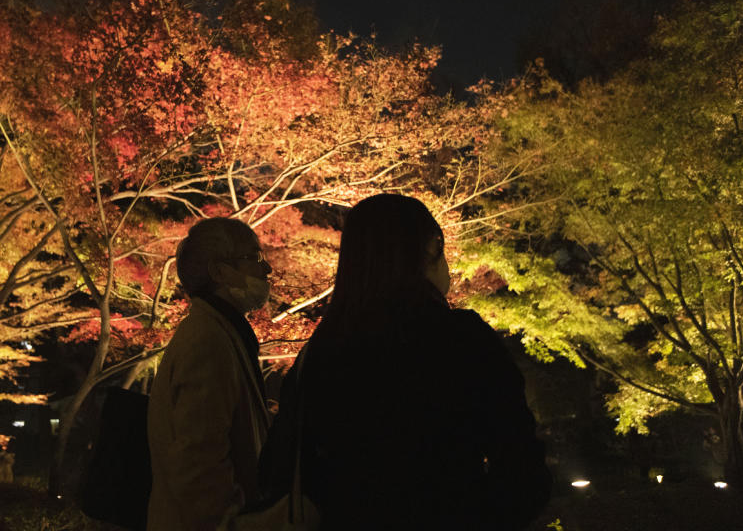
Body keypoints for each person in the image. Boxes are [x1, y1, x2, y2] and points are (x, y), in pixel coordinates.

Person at [259, 194, 551, 529]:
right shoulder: (459, 339)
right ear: (430, 247)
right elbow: (521, 466)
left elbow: (277, 466)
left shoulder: (320, 353)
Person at [147, 217, 273, 531]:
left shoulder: (217, 332)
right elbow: (199, 466)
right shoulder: (209, 341)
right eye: (254, 259)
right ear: (219, 272)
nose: (266, 269)